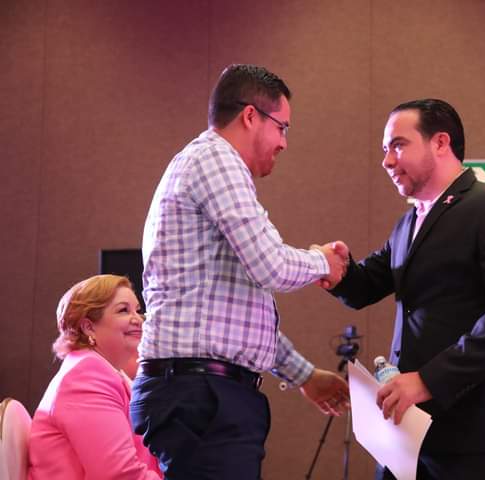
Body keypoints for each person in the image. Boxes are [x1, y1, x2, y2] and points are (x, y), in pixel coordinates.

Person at [130, 64, 350, 480]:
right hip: (201, 395)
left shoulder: (205, 164)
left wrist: (304, 375)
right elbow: (272, 265)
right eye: (282, 127)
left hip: (201, 393)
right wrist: (325, 261)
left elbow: (237, 314)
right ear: (251, 116)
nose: (284, 143)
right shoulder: (216, 159)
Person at [324, 98, 485, 480]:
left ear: (440, 142)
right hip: (407, 436)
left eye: (398, 145)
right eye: (384, 150)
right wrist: (337, 271)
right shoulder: (408, 222)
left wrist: (429, 379)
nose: (386, 161)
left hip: (478, 437)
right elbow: (366, 286)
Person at [28, 274, 161, 479]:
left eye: (137, 310)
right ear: (89, 327)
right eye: (123, 310)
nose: (138, 319)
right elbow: (119, 474)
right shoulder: (86, 377)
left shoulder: (100, 368)